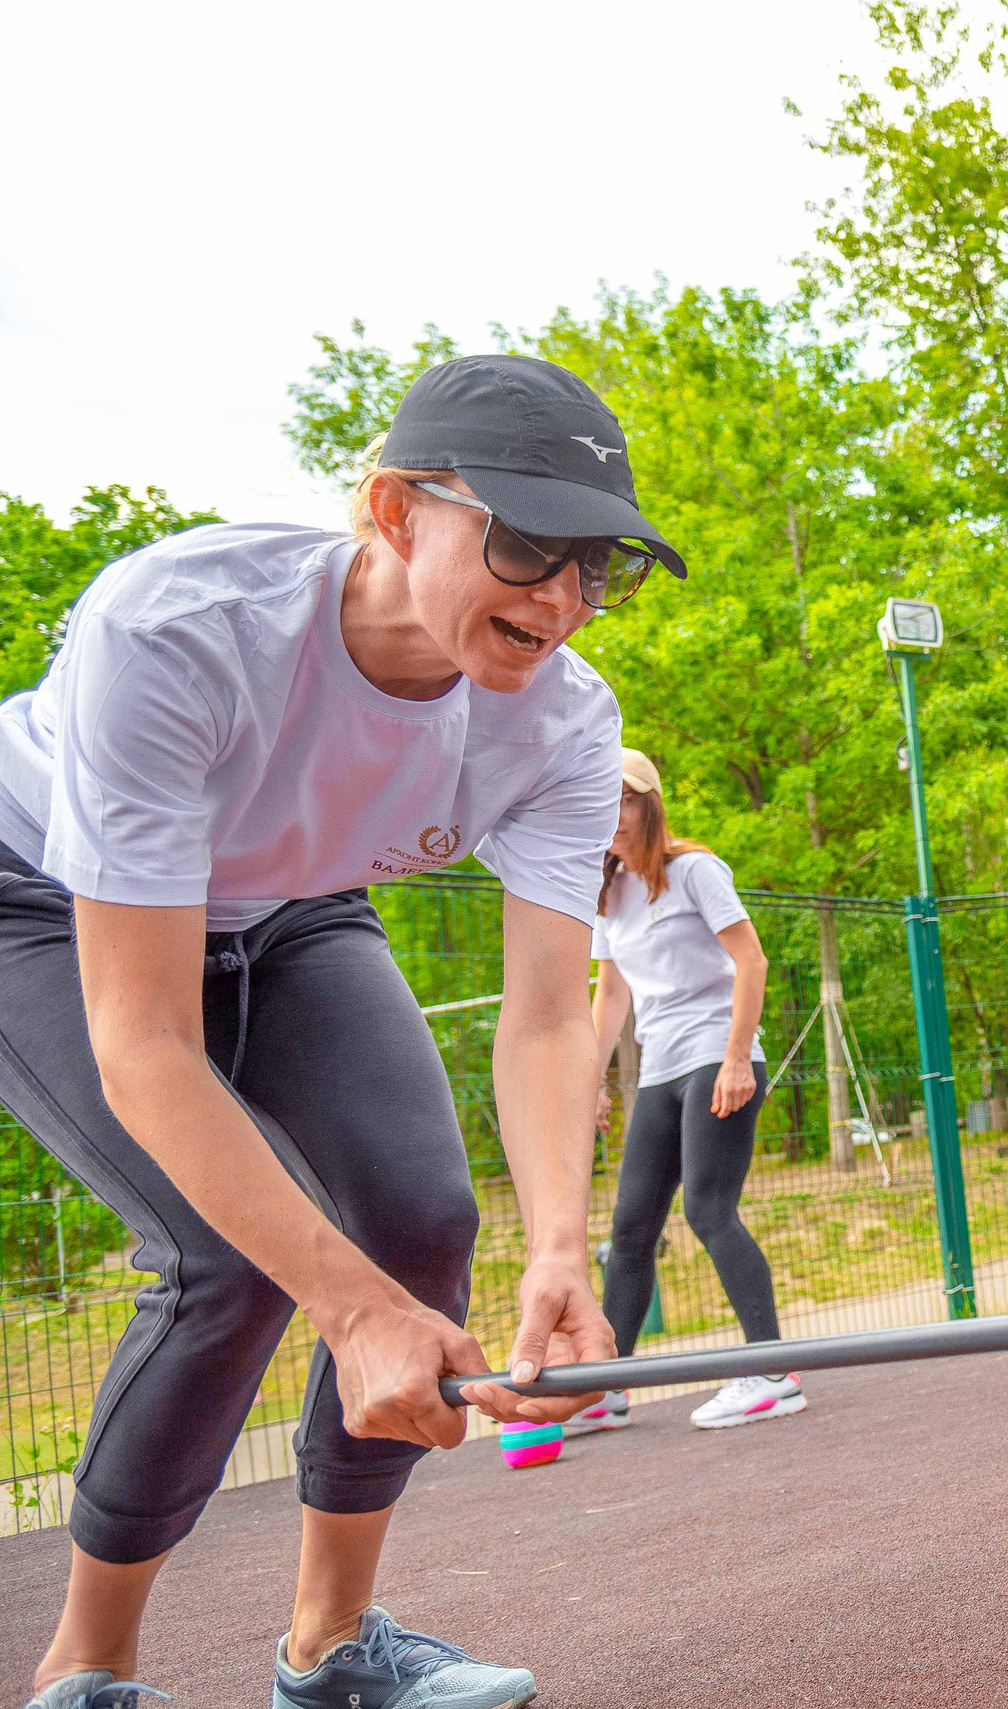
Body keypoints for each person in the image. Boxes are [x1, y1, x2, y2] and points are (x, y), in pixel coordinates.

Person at [0, 355, 684, 1709]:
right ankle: (86, 1668)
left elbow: (550, 1018)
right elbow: (144, 1040)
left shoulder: (565, 723)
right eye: (528, 542)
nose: (561, 597)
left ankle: (331, 1649)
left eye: (598, 566)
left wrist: (559, 1242)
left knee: (423, 1226)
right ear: (391, 509)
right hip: (42, 892)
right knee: (227, 1260)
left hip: (293, 898)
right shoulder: (179, 629)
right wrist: (351, 1307)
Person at [576, 748, 800, 1434]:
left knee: (708, 1209)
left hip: (716, 1054)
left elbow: (751, 959)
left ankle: (772, 1372)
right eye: (601, 802)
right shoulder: (609, 896)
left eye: (624, 801)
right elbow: (610, 996)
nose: (612, 817)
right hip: (661, 1070)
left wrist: (738, 1059)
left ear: (650, 804)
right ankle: (611, 1387)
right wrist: (592, 1084)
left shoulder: (695, 870)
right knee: (630, 1227)